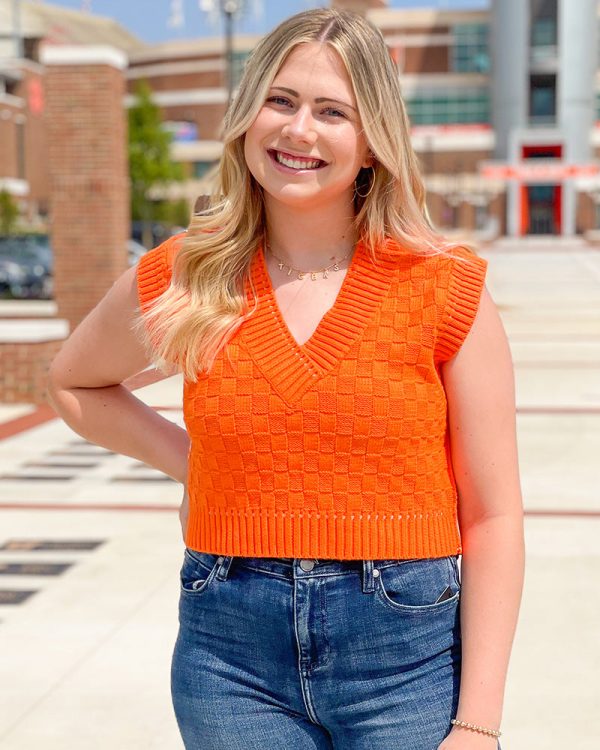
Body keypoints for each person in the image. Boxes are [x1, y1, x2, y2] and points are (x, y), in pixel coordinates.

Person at [46, 8, 524, 750]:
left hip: (405, 661)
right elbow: (75, 385)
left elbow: (492, 518)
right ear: (245, 118)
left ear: (371, 144)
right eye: (280, 100)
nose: (299, 130)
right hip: (229, 655)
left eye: (333, 111)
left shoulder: (443, 286)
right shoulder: (187, 272)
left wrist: (478, 722)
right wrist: (195, 464)